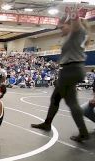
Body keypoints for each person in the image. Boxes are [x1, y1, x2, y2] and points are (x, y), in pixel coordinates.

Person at [31, 12, 91, 142]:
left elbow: (77, 26)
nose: (60, 30)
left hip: (70, 70)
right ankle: (47, 123)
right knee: (55, 98)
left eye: (62, 27)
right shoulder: (75, 36)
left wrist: (74, 17)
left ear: (70, 26)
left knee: (72, 102)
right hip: (72, 70)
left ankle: (83, 132)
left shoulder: (77, 33)